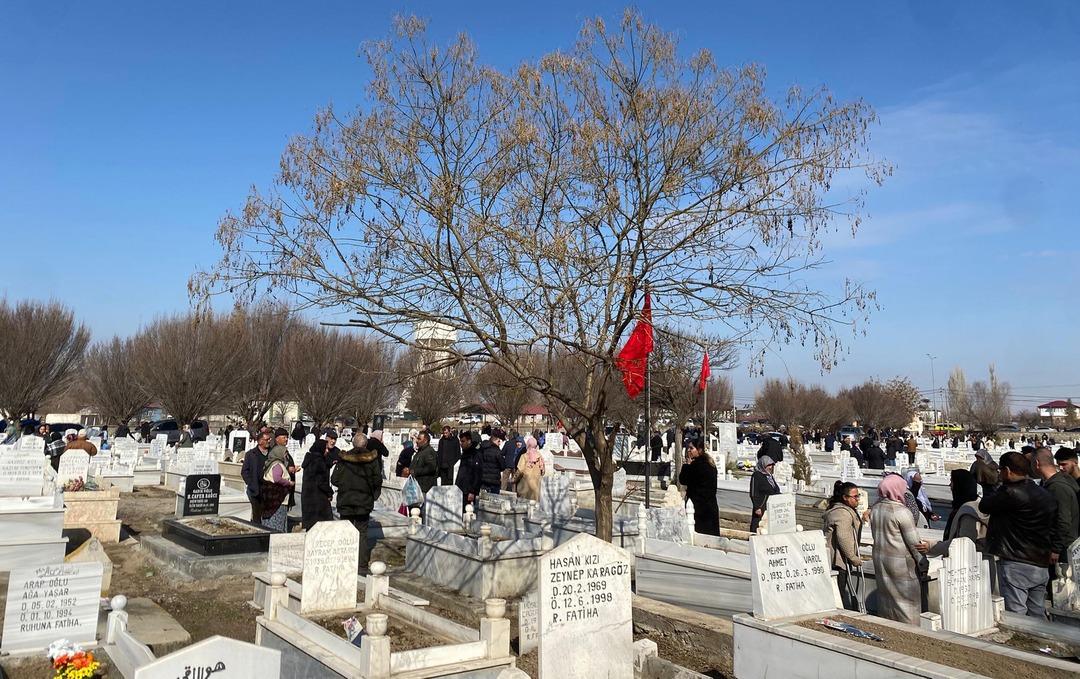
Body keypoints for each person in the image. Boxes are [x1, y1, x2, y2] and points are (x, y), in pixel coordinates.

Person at [980, 451, 1056, 617]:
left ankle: (1019, 643)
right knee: (1037, 611)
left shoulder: (1010, 493)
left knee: (1017, 614)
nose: (999, 473)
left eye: (1000, 470)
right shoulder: (1043, 493)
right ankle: (1041, 641)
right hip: (1040, 560)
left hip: (1016, 560)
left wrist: (999, 485)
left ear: (1007, 470)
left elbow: (985, 505)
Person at [871, 474, 929, 625]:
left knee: (887, 600)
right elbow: (914, 543)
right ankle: (911, 631)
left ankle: (890, 628)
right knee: (907, 604)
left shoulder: (876, 508)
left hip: (882, 560)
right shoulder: (901, 512)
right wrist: (923, 562)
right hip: (901, 564)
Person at [332, 433, 384, 573]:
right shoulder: (372, 460)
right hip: (363, 501)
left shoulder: (344, 459)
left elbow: (334, 479)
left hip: (346, 500)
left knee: (346, 531)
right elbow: (377, 480)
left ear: (353, 444)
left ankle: (344, 561)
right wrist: (372, 494)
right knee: (361, 533)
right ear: (366, 445)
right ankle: (361, 565)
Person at [1033, 448, 1079, 585]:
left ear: (1036, 464)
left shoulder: (1057, 487)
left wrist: (1056, 549)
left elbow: (1063, 520)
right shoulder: (1059, 482)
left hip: (1064, 548)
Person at [824, 481, 865, 611]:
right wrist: (853, 557)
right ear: (845, 498)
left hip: (841, 559)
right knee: (839, 590)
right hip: (838, 560)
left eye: (858, 496)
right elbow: (843, 537)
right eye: (855, 496)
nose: (857, 499)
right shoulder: (842, 513)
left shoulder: (845, 509)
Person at [678, 438, 720, 535]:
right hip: (710, 505)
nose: (689, 450)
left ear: (699, 450)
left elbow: (683, 480)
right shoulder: (710, 463)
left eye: (691, 448)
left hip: (699, 507)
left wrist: (686, 465)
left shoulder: (696, 465)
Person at [941, 469, 988, 545]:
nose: (950, 485)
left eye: (952, 481)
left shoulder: (967, 512)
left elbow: (963, 543)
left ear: (959, 485)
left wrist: (930, 547)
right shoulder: (972, 505)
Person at [259, 442, 295, 533]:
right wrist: (289, 483)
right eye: (285, 453)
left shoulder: (272, 463)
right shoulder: (277, 465)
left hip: (273, 500)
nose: (286, 455)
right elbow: (277, 478)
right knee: (276, 525)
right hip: (277, 501)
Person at [301, 439, 334, 530]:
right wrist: (329, 492)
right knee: (321, 527)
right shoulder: (318, 461)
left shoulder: (310, 459)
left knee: (311, 527)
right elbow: (321, 481)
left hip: (308, 497)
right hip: (317, 499)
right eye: (326, 449)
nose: (327, 451)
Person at [241, 432, 271, 522]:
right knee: (257, 516)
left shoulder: (272, 453)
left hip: (269, 490)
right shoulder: (251, 454)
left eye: (269, 439)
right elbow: (244, 471)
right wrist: (250, 483)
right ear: (260, 441)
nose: (269, 441)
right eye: (267, 439)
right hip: (255, 490)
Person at [748, 455, 780, 533]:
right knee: (758, 524)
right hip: (761, 505)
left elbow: (774, 489)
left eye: (771, 465)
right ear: (763, 465)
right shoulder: (757, 475)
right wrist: (757, 507)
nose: (770, 467)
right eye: (768, 465)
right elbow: (753, 492)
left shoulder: (769, 476)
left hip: (770, 506)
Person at [455, 431, 482, 509]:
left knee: (468, 511)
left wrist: (472, 491)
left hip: (469, 490)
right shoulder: (465, 454)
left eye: (463, 441)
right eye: (460, 441)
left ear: (469, 441)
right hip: (461, 488)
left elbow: (477, 474)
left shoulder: (475, 454)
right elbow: (461, 472)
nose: (461, 443)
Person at [514, 435, 545, 501]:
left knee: (524, 507)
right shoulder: (539, 456)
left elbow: (520, 470)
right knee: (534, 507)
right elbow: (543, 472)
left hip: (525, 486)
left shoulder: (524, 456)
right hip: (536, 488)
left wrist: (514, 479)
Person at [479, 428, 506, 494]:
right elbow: (503, 466)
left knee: (483, 501)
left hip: (483, 479)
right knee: (494, 501)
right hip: (494, 481)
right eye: (499, 441)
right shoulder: (497, 451)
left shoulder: (482, 448)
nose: (499, 443)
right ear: (496, 440)